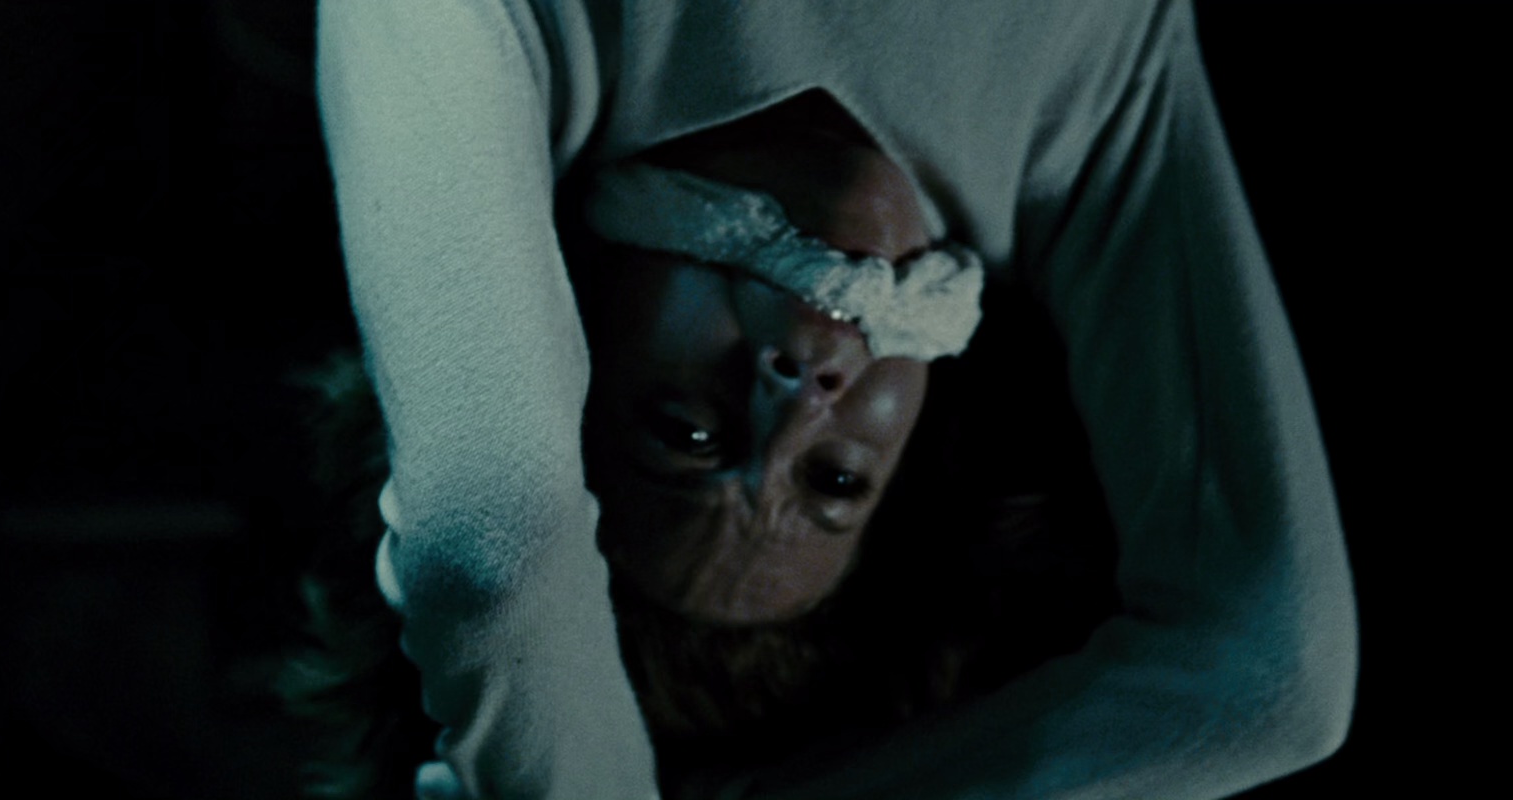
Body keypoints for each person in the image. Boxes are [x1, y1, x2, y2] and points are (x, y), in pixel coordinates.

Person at [314, 0, 1358, 797]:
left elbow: (496, 550)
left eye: (687, 431)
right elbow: (1270, 684)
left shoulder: (511, 23)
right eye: (837, 480)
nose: (797, 401)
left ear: (556, 342)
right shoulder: (1084, 121)